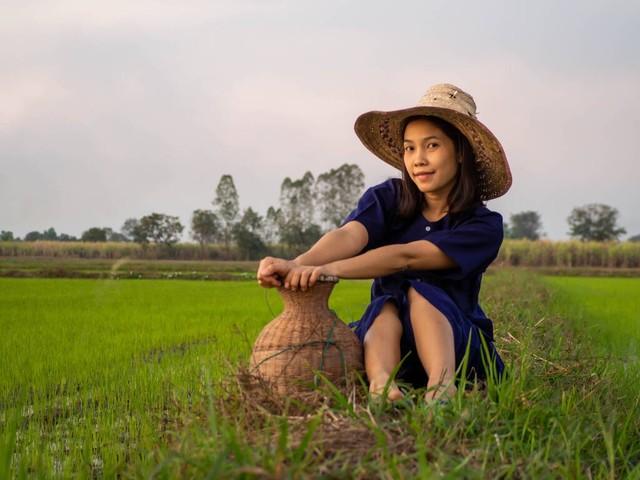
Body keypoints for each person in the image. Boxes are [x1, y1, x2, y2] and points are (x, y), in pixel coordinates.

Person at [257, 83, 512, 403]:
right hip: (392, 345)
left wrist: (329, 269)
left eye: (431, 146)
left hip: (458, 348)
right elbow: (350, 235)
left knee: (421, 290)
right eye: (409, 148)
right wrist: (299, 263)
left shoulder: (482, 225)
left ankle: (441, 389)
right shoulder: (390, 198)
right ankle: (381, 387)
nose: (418, 159)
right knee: (385, 303)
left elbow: (407, 257)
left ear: (460, 152)